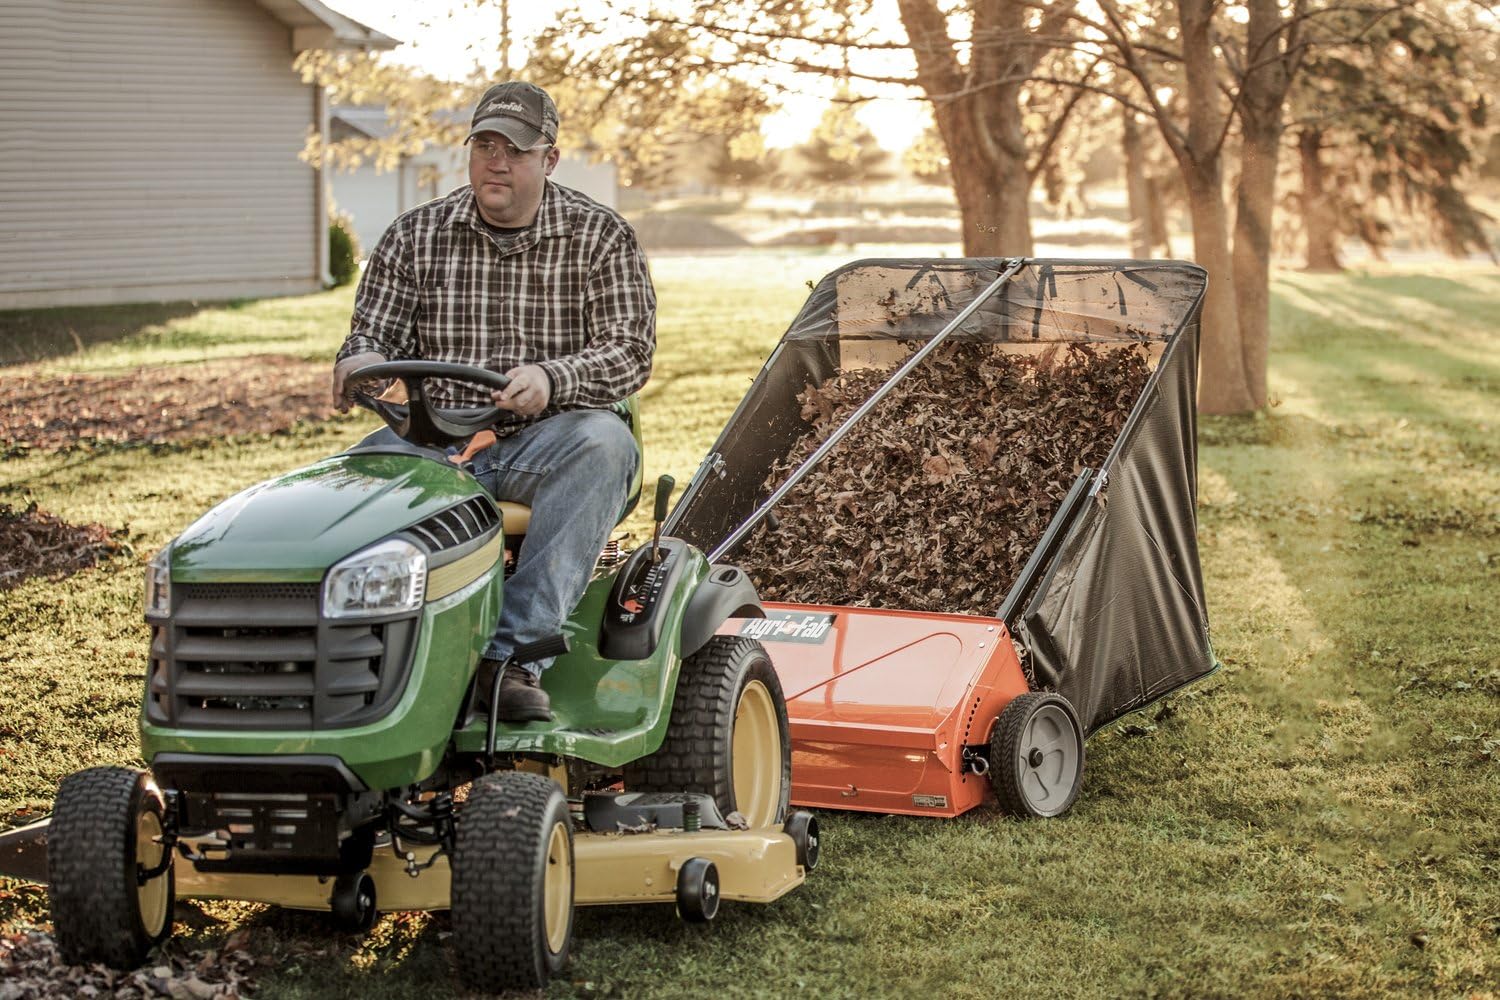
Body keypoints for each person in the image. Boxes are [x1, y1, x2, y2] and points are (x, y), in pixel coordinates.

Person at [331, 81, 655, 723]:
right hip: (431, 439)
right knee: (345, 486)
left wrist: (553, 378)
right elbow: (371, 335)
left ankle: (510, 662)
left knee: (604, 444)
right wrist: (359, 362)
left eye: (515, 149)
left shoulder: (600, 237)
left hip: (550, 441)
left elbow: (629, 351)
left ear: (549, 160)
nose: (497, 161)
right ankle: (355, 659)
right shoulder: (414, 236)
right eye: (485, 145)